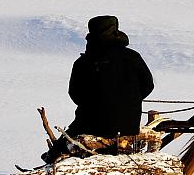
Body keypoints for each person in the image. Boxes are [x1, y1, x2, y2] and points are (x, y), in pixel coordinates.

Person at [66, 15, 155, 143]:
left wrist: (95, 105)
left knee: (61, 146)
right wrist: (128, 101)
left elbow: (75, 93)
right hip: (129, 126)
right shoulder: (132, 57)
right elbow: (148, 85)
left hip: (91, 126)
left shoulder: (83, 62)